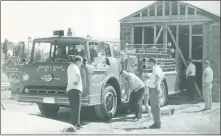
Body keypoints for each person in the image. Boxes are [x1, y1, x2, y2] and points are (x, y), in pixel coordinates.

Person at [66, 55, 83, 129]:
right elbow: (78, 76)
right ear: (78, 61)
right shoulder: (76, 67)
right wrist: (77, 82)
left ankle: (72, 123)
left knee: (73, 107)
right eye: (81, 62)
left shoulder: (69, 67)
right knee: (77, 108)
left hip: (69, 89)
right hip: (76, 89)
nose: (81, 64)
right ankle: (76, 125)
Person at [148, 57, 165, 129]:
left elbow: (158, 77)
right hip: (155, 89)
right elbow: (163, 76)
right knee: (155, 107)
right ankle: (156, 122)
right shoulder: (158, 68)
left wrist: (155, 85)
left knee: (155, 107)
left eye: (149, 62)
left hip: (154, 89)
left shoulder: (155, 68)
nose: (149, 64)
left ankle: (157, 123)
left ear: (152, 62)